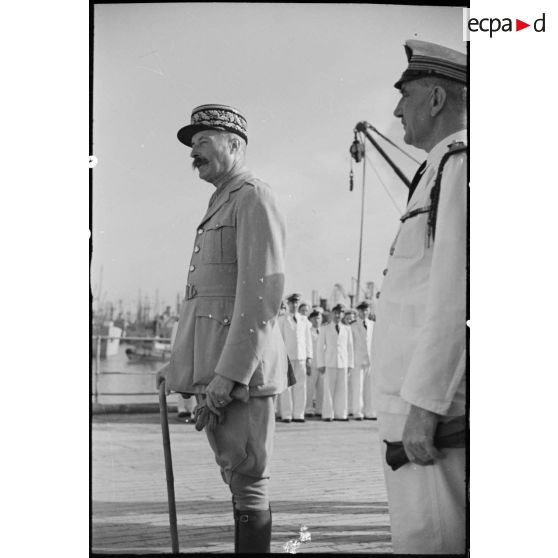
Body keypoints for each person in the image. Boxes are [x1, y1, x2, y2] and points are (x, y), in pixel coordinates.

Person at [155, 103, 288, 554]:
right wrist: (178, 365)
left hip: (241, 376)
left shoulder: (252, 196)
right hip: (222, 373)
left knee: (249, 477)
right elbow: (208, 298)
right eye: (192, 145)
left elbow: (260, 297)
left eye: (203, 141)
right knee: (236, 474)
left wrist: (228, 376)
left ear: (234, 145)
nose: (194, 152)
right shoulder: (222, 199)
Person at [371, 40, 467, 554]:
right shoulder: (436, 169)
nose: (395, 109)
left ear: (435, 100)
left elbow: (457, 296)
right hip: (410, 407)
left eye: (404, 95)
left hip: (432, 413)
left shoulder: (461, 164)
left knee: (434, 540)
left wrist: (426, 407)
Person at [277, 293, 313, 423]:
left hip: (301, 357)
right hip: (287, 357)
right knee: (287, 386)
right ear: (288, 304)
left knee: (301, 386)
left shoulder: (304, 320)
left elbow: (308, 340)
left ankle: (299, 413)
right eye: (292, 303)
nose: (294, 305)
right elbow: (279, 340)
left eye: (296, 303)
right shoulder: (282, 320)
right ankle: (287, 414)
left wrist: (309, 357)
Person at [316, 303, 354, 421]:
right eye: (336, 313)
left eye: (340, 313)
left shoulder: (347, 329)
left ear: (343, 314)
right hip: (330, 362)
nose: (338, 315)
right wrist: (321, 363)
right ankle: (328, 414)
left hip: (343, 362)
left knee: (342, 389)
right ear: (332, 314)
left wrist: (350, 364)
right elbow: (319, 347)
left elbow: (350, 347)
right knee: (328, 389)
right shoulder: (325, 328)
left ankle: (341, 414)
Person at [349, 300, 376, 420]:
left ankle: (369, 411)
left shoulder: (373, 324)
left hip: (370, 360)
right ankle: (358, 412)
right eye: (362, 310)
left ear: (369, 311)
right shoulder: (352, 326)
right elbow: (350, 345)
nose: (364, 312)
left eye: (366, 310)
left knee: (370, 388)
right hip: (357, 360)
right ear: (358, 311)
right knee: (357, 387)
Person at [305, 309, 324, 417]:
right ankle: (308, 409)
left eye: (319, 318)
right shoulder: (308, 331)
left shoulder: (324, 331)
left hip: (322, 364)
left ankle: (319, 409)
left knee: (321, 389)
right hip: (312, 364)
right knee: (310, 388)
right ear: (311, 319)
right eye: (315, 318)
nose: (317, 320)